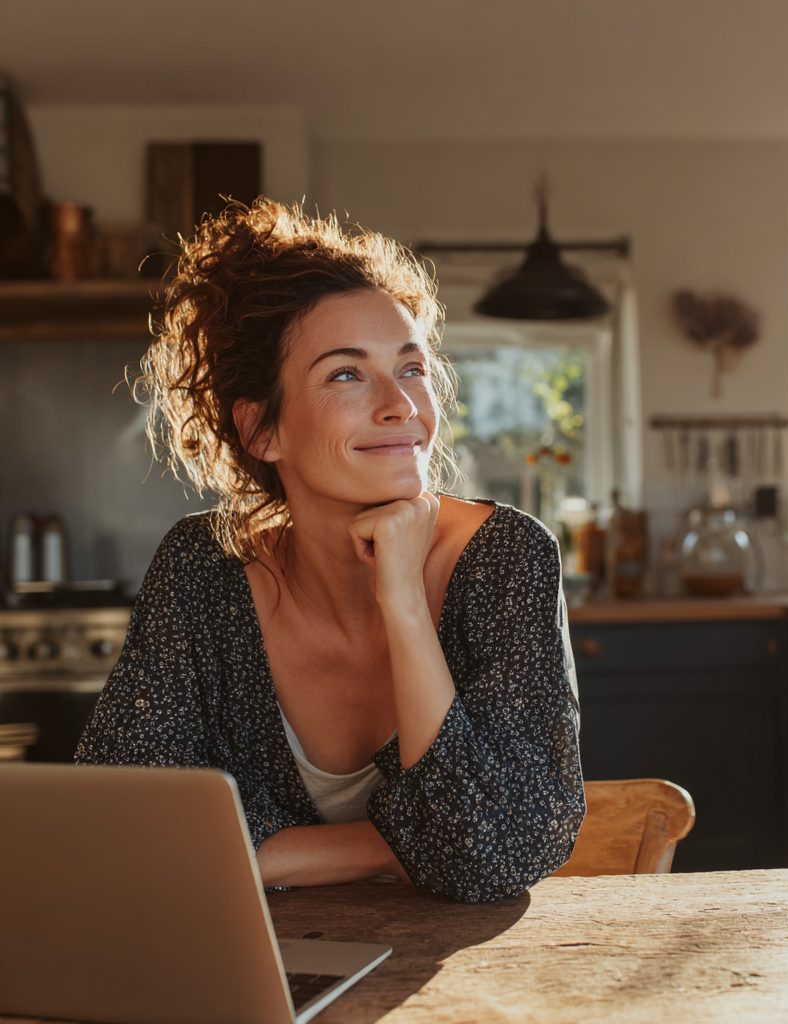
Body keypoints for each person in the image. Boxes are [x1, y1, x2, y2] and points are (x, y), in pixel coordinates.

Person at [76, 198, 585, 904]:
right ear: (261, 432)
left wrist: (403, 602)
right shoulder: (204, 569)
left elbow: (492, 855)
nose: (401, 405)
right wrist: (396, 850)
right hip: (254, 979)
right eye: (347, 374)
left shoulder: (506, 559)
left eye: (410, 368)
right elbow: (122, 825)